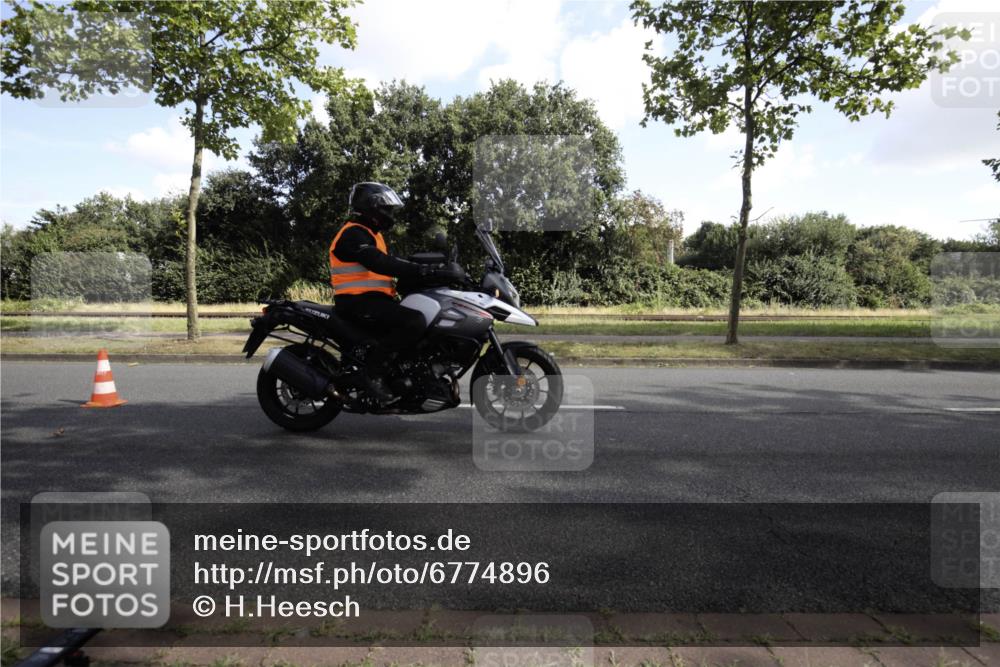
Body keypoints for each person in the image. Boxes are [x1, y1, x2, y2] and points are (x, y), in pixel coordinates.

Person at [329, 182, 462, 404]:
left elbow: (392, 265)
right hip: (356, 302)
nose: (390, 213)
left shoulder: (371, 234)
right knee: (413, 321)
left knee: (420, 317)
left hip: (372, 300)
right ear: (373, 207)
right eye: (387, 208)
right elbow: (380, 263)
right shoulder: (352, 234)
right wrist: (420, 270)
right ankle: (372, 374)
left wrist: (434, 270)